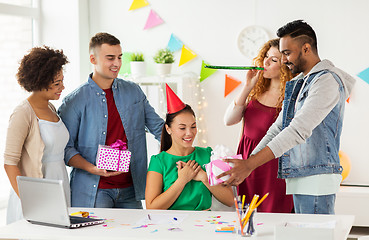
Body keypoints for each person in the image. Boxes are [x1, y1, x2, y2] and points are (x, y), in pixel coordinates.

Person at [219, 20, 356, 214]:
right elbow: (278, 127)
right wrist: (248, 166)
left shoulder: (327, 81)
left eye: (287, 53)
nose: (284, 60)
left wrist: (249, 164)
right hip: (298, 178)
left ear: (306, 48)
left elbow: (297, 130)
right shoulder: (301, 83)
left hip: (316, 179)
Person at [58, 32, 164, 208]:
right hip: (94, 190)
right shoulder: (74, 101)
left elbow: (159, 128)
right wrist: (92, 168)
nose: (117, 63)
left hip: (131, 188)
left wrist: (181, 150)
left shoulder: (134, 91)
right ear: (93, 59)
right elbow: (66, 149)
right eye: (110, 58)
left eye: (119, 57)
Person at [224, 38, 294, 213]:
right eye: (266, 56)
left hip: (272, 168)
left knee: (272, 215)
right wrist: (247, 86)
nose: (266, 62)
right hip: (247, 164)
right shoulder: (256, 90)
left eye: (274, 60)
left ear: (285, 66)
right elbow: (229, 120)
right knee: (249, 218)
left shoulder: (290, 99)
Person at [4, 46, 70, 224]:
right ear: (40, 82)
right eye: (57, 83)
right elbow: (10, 163)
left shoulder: (51, 108)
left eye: (62, 81)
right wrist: (30, 200)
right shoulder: (23, 113)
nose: (62, 87)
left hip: (59, 185)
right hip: (35, 195)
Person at [145, 84, 234, 210]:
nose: (189, 133)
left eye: (193, 126)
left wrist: (204, 177)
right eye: (182, 128)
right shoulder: (158, 161)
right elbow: (152, 208)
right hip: (170, 225)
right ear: (168, 129)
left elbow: (230, 200)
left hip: (204, 223)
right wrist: (182, 180)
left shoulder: (209, 154)